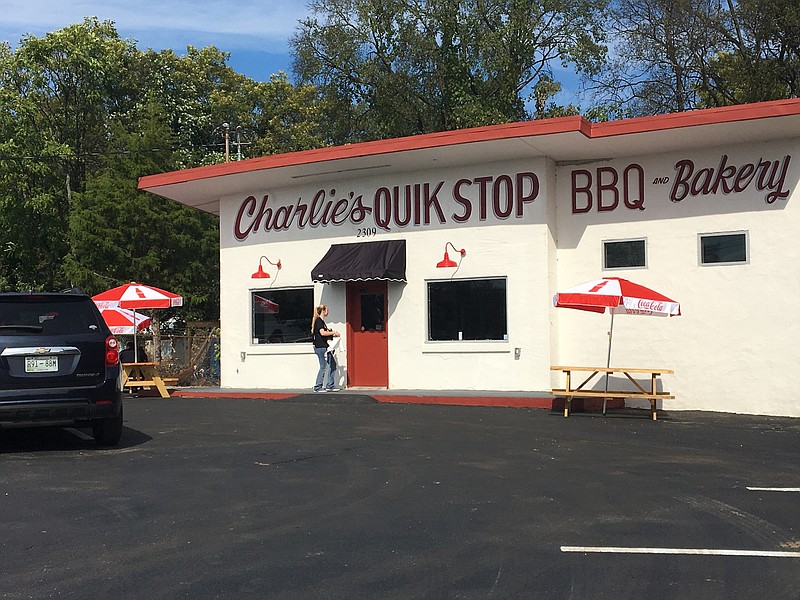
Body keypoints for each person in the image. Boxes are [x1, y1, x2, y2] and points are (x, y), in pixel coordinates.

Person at [312, 305, 340, 392]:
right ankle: (317, 386)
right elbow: (322, 333)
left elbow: (326, 333)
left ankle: (330, 385)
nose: (328, 312)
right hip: (321, 347)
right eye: (327, 310)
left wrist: (332, 334)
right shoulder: (319, 321)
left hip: (326, 347)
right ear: (323, 311)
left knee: (332, 365)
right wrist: (333, 332)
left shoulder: (322, 322)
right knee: (323, 366)